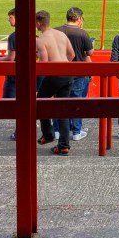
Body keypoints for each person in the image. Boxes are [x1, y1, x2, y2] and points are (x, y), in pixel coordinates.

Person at [36, 10, 75, 156]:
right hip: (67, 73)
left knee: (40, 102)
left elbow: (44, 63)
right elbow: (72, 55)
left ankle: (48, 134)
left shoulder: (41, 39)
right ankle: (63, 145)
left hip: (54, 75)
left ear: (39, 23)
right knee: (62, 109)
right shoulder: (61, 34)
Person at [55, 7, 93, 141]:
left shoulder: (56, 30)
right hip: (78, 72)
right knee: (76, 101)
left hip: (59, 71)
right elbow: (90, 53)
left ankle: (57, 130)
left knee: (59, 101)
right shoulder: (82, 33)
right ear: (79, 19)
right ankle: (76, 131)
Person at [0, 9, 17, 140]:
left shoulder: (14, 36)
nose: (8, 20)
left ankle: (21, 130)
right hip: (32, 75)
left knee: (9, 103)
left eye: (10, 17)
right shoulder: (33, 34)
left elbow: (11, 58)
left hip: (15, 76)